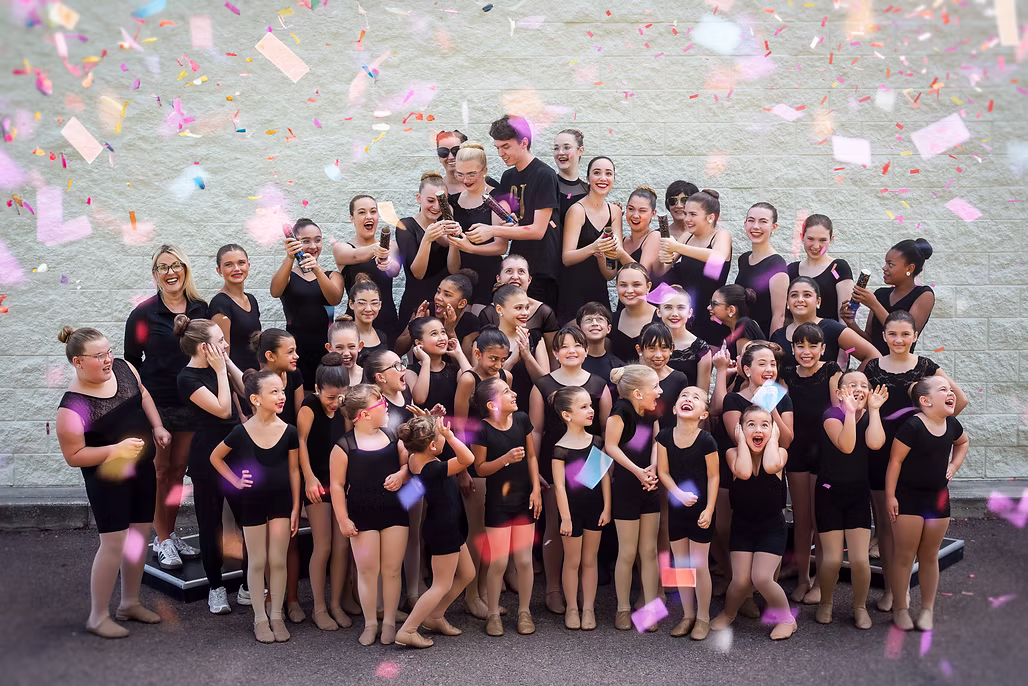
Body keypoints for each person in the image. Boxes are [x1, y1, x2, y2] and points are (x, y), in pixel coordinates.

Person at [57, 326, 167, 638]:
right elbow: (75, 455)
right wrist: (114, 451)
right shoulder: (71, 408)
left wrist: (157, 426)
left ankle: (129, 603)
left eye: (109, 352)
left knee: (138, 537)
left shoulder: (125, 368)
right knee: (114, 544)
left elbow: (143, 395)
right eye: (99, 356)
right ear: (78, 362)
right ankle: (97, 616)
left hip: (142, 469)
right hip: (108, 481)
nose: (109, 359)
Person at [862, 310, 967, 612]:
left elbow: (958, 400)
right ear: (883, 336)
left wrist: (937, 429)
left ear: (915, 336)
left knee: (912, 536)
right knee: (884, 523)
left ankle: (904, 590)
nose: (898, 339)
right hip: (882, 454)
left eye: (905, 334)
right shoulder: (872, 368)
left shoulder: (927, 368)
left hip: (917, 458)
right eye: (892, 333)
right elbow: (857, 402)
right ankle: (892, 591)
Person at [125, 244, 206, 570]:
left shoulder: (201, 309)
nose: (170, 272)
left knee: (177, 473)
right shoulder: (143, 314)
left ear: (185, 270)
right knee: (159, 472)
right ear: (155, 274)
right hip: (156, 406)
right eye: (163, 267)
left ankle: (169, 534)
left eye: (176, 266)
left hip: (191, 401)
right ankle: (160, 539)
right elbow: (131, 362)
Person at [209, 370, 301, 644]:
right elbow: (215, 458)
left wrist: (296, 507)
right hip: (252, 502)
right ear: (255, 399)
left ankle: (276, 615)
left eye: (282, 391)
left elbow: (295, 472)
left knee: (277, 560)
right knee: (258, 561)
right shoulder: (240, 432)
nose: (281, 396)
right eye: (274, 392)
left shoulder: (289, 432)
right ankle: (260, 618)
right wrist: (235, 481)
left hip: (281, 502)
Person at [529, 325, 612, 615]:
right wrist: (536, 469)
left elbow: (605, 431)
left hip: (591, 462)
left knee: (585, 519)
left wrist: (604, 473)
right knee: (556, 524)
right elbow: (536, 431)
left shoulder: (599, 384)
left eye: (577, 345)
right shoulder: (542, 385)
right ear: (555, 352)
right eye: (564, 346)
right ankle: (553, 589)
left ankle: (580, 596)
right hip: (557, 461)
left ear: (586, 350)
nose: (571, 351)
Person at [710, 343, 794, 602]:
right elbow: (739, 438)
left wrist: (772, 407)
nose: (769, 368)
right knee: (726, 528)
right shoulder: (734, 399)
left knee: (772, 527)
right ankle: (735, 582)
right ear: (746, 369)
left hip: (770, 473)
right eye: (762, 363)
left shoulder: (782, 396)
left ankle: (764, 590)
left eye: (773, 363)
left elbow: (787, 440)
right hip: (736, 469)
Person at [174, 316, 245, 615]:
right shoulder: (187, 378)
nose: (226, 344)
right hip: (207, 458)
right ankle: (216, 588)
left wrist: (226, 364)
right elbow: (222, 409)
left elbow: (246, 390)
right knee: (210, 523)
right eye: (220, 341)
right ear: (204, 348)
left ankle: (249, 585)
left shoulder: (221, 367)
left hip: (238, 453)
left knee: (248, 519)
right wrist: (218, 370)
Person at [886, 376, 968, 632]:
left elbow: (963, 443)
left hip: (938, 500)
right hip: (908, 499)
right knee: (904, 557)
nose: (951, 392)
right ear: (926, 401)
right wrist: (890, 496)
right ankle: (900, 607)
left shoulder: (952, 425)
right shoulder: (912, 427)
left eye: (950, 389)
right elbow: (895, 462)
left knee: (930, 556)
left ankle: (927, 609)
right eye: (943, 389)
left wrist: (953, 466)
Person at [330, 384, 410, 646]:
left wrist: (401, 475)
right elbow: (337, 486)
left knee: (392, 570)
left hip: (394, 512)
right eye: (380, 404)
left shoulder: (391, 436)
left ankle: (388, 621)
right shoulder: (344, 446)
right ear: (364, 414)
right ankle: (370, 623)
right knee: (366, 571)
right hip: (361, 515)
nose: (386, 406)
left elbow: (407, 464)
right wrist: (343, 519)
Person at [710, 406, 796, 640]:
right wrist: (740, 440)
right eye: (751, 425)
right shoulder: (732, 454)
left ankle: (787, 618)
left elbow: (769, 467)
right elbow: (745, 472)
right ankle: (729, 614)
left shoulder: (780, 453)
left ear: (773, 430)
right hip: (743, 526)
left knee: (761, 578)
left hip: (772, 528)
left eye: (764, 425)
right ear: (740, 429)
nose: (758, 430)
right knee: (739, 581)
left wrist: (775, 437)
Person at [395, 415, 477, 648]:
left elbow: (420, 441)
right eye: (439, 437)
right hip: (445, 528)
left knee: (467, 573)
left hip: (445, 525)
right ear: (432, 446)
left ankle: (435, 616)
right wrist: (450, 436)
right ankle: (408, 630)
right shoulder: (434, 469)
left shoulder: (415, 459)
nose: (443, 438)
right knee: (441, 584)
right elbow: (467, 458)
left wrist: (428, 423)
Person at [466, 114, 561, 310]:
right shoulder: (508, 176)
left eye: (506, 146)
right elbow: (512, 222)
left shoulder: (545, 175)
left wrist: (492, 230)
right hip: (516, 268)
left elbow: (537, 230)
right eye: (497, 147)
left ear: (524, 142)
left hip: (542, 271)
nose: (501, 153)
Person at [471, 377, 543, 637]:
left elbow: (532, 456)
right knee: (498, 562)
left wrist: (536, 490)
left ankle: (525, 611)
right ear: (492, 404)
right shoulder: (482, 430)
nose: (513, 393)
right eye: (506, 391)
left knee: (524, 560)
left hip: (524, 499)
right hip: (498, 504)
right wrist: (504, 459)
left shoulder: (522, 419)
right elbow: (479, 468)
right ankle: (492, 613)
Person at [816, 372, 887, 630]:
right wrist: (849, 412)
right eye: (851, 385)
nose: (858, 389)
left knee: (859, 560)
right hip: (828, 493)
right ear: (839, 392)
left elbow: (875, 443)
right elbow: (846, 445)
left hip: (858, 494)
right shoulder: (832, 416)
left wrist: (874, 410)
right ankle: (826, 602)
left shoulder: (870, 417)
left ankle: (859, 606)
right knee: (833, 559)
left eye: (863, 386)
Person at [778, 323, 843, 604]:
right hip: (796, 451)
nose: (807, 352)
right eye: (800, 346)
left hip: (824, 451)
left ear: (823, 349)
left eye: (813, 346)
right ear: (792, 349)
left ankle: (821, 580)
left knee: (821, 518)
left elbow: (839, 409)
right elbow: (766, 403)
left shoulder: (831, 371)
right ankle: (803, 578)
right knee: (802, 518)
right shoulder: (786, 375)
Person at [453, 326, 513, 619]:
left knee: (494, 532)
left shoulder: (505, 378)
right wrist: (462, 470)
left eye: (503, 359)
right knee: (477, 532)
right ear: (476, 353)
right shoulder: (468, 380)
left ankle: (486, 589)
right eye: (492, 358)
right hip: (475, 464)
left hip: (500, 460)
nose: (498, 365)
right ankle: (471, 594)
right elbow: (459, 425)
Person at [656, 386, 719, 640]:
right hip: (677, 508)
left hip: (702, 510)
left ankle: (703, 617)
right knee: (682, 565)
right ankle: (687, 614)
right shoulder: (663, 437)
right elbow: (663, 472)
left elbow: (714, 476)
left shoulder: (706, 440)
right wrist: (678, 494)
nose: (688, 399)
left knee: (700, 565)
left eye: (696, 398)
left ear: (704, 413)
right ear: (674, 408)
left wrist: (710, 509)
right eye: (683, 396)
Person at [251, 328, 306, 621]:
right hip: (263, 468)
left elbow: (298, 421)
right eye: (290, 352)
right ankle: (266, 599)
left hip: (289, 460)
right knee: (261, 543)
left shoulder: (294, 377)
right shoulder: (254, 380)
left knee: (290, 538)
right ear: (270, 356)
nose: (296, 356)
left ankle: (292, 600)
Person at [604, 365, 662, 630]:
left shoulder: (652, 412)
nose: (660, 391)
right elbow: (610, 446)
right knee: (627, 552)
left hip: (649, 485)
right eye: (655, 387)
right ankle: (623, 608)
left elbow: (656, 443)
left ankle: (650, 609)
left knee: (649, 551)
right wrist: (638, 471)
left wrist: (651, 467)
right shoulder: (620, 412)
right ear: (638, 393)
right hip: (627, 485)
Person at [297, 353, 351, 631]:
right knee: (324, 545)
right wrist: (309, 478)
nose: (335, 403)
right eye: (330, 397)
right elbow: (302, 442)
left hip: (338, 482)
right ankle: (318, 607)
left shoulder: (342, 408)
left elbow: (347, 442)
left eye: (341, 397)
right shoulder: (308, 406)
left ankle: (336, 604)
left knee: (342, 545)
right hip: (317, 483)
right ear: (317, 389)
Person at [550, 387, 611, 631]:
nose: (591, 410)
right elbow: (559, 487)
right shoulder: (560, 448)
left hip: (594, 507)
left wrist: (607, 506)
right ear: (567, 415)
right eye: (583, 407)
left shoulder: (596, 441)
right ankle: (572, 607)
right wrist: (565, 517)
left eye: (590, 405)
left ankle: (588, 607)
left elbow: (602, 477)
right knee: (572, 561)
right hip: (571, 512)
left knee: (590, 560)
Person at [271, 218, 344, 386]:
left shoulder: (332, 275)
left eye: (317, 240)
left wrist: (317, 270)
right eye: (305, 241)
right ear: (295, 243)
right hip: (294, 348)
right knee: (297, 394)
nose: (313, 246)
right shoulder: (288, 275)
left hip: (326, 346)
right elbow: (275, 292)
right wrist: (290, 258)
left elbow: (334, 298)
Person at [655, 190, 733, 346]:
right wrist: (664, 257)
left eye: (692, 214)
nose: (687, 219)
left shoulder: (721, 235)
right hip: (685, 313)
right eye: (686, 214)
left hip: (710, 314)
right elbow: (661, 270)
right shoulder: (686, 236)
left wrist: (677, 247)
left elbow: (718, 256)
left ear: (710, 217)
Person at [843, 238, 935, 356]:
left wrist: (874, 304)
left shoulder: (924, 295)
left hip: (900, 367)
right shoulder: (880, 294)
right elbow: (870, 341)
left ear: (909, 268)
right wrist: (851, 323)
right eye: (885, 263)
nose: (884, 268)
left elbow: (904, 334)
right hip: (874, 365)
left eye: (890, 264)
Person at [559, 155, 623, 322]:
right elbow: (567, 258)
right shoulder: (577, 210)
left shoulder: (614, 212)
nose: (603, 178)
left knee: (603, 343)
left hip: (599, 292)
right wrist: (594, 247)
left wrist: (603, 253)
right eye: (597, 173)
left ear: (614, 179)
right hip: (573, 290)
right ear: (587, 178)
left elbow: (610, 273)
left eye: (608, 173)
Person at [445, 141, 509, 306]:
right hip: (461, 278)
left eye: (471, 174)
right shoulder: (453, 202)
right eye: (459, 174)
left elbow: (501, 247)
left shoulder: (497, 199)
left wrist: (471, 248)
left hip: (488, 275)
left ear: (485, 171)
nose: (465, 180)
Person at [334, 194, 402, 344]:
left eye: (373, 211)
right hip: (356, 322)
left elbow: (395, 270)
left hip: (387, 320)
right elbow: (356, 256)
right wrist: (379, 247)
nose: (369, 216)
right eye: (362, 212)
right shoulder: (341, 248)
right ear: (352, 218)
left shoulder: (393, 247)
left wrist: (388, 263)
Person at [396, 172, 462, 327]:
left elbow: (453, 270)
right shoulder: (406, 225)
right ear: (419, 198)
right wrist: (427, 238)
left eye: (441, 201)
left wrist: (454, 240)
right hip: (416, 302)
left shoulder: (446, 225)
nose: (436, 207)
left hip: (444, 304)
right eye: (430, 201)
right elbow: (417, 273)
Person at [771, 277, 879, 370]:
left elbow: (872, 356)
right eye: (794, 295)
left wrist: (850, 381)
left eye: (807, 295)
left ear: (818, 302)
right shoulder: (778, 336)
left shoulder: (832, 328)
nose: (800, 299)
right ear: (787, 302)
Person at [478, 254, 560, 352]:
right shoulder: (488, 313)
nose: (515, 277)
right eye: (509, 271)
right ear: (498, 279)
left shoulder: (544, 312)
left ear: (529, 279)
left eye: (521, 271)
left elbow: (553, 354)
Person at [491, 284, 550, 409]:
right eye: (518, 308)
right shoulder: (487, 338)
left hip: (531, 411)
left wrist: (527, 356)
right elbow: (487, 386)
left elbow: (546, 385)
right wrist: (512, 360)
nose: (525, 313)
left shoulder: (535, 337)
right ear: (499, 309)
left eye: (527, 307)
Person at [786, 214, 853, 322]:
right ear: (802, 237)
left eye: (822, 240)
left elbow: (845, 318)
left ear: (831, 239)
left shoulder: (836, 269)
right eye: (810, 239)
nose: (816, 246)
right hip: (797, 336)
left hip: (831, 336)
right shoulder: (791, 271)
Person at [734, 203, 788, 337]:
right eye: (751, 220)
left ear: (774, 227)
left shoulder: (777, 265)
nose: (755, 226)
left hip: (761, 342)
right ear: (745, 224)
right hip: (740, 337)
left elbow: (779, 316)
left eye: (763, 221)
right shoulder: (744, 259)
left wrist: (771, 351)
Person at [208, 244, 262, 373]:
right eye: (228, 265)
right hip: (236, 379)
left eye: (241, 263)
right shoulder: (220, 304)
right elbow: (222, 353)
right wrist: (232, 387)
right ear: (219, 270)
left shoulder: (251, 300)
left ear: (248, 265)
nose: (236, 269)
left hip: (254, 376)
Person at [656, 286, 712, 394]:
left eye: (681, 307)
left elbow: (702, 394)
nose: (674, 313)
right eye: (668, 307)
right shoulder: (649, 343)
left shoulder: (701, 349)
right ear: (658, 312)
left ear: (690, 312)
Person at [637, 322, 690, 432]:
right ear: (640, 350)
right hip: (636, 440)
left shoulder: (679, 379)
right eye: (651, 348)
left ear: (672, 348)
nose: (658, 355)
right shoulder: (633, 377)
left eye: (664, 348)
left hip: (668, 439)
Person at [610, 263, 658, 363]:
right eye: (623, 285)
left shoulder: (663, 318)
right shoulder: (611, 320)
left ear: (648, 287)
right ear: (616, 287)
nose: (630, 290)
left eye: (636, 285)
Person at [577, 301, 625, 399]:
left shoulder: (619, 367)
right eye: (588, 320)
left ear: (609, 328)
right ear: (579, 328)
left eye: (600, 319)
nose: (595, 324)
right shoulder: (573, 363)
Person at [363, 349, 414, 434]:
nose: (404, 368)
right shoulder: (375, 404)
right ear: (380, 377)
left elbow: (414, 424)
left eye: (402, 363)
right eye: (396, 365)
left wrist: (424, 418)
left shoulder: (406, 391)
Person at [707, 284, 764, 361]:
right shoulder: (728, 328)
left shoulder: (744, 325)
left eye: (714, 304)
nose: (709, 307)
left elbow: (743, 368)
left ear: (731, 310)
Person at [616, 186, 663, 278]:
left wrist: (621, 254)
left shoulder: (654, 236)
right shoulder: (623, 241)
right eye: (631, 209)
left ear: (653, 214)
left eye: (642, 211)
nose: (635, 215)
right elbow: (609, 274)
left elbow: (643, 274)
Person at [347, 274, 389, 364]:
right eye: (361, 303)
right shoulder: (344, 335)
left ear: (380, 305)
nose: (368, 309)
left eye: (374, 303)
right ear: (351, 304)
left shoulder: (382, 336)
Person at [552, 128, 590, 223]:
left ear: (580, 150)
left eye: (567, 147)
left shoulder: (589, 191)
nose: (560, 152)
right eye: (556, 148)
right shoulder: (548, 186)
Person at [326, 316, 364, 385]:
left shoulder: (370, 376)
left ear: (360, 346)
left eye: (351, 346)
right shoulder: (326, 378)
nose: (346, 353)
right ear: (329, 348)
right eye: (339, 347)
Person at [435, 129, 470, 195]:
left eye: (456, 151)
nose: (450, 157)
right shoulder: (435, 190)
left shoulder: (484, 186)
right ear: (439, 157)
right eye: (443, 152)